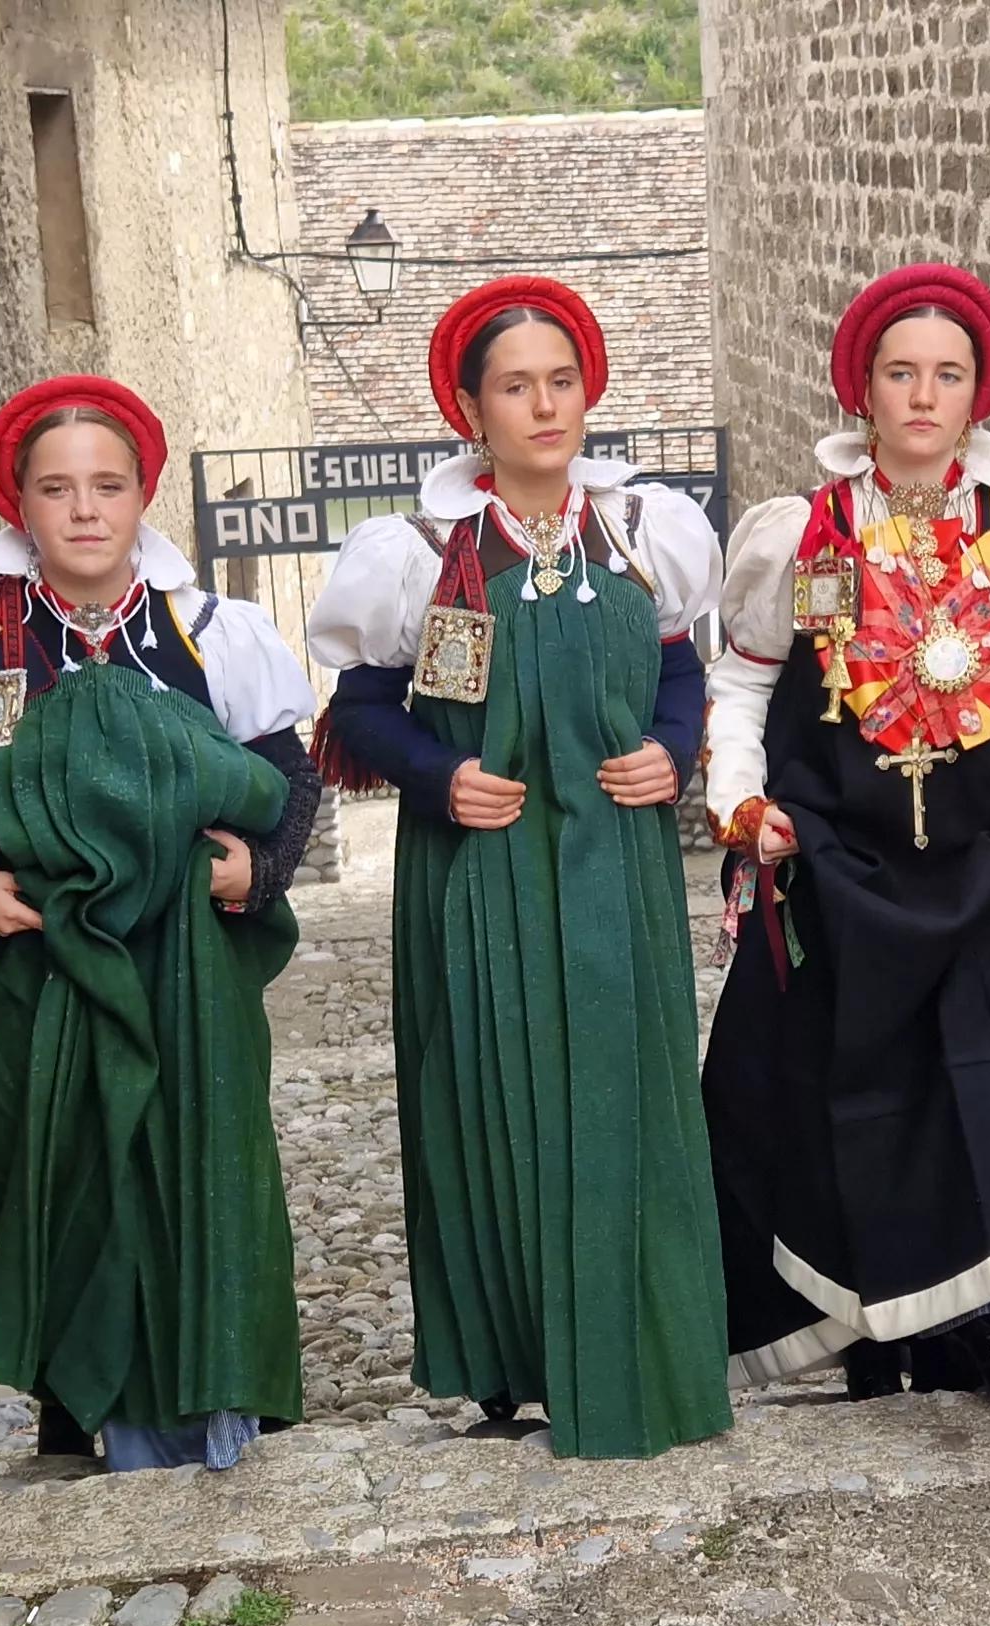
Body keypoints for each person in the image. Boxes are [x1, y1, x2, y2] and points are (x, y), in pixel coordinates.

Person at [700, 263, 990, 1403]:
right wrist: (741, 804)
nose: (923, 395)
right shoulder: (798, 532)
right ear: (862, 391)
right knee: (856, 1085)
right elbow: (743, 680)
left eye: (947, 375)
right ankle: (868, 1325)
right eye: (900, 373)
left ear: (979, 394)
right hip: (844, 857)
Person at [0, 377, 321, 1473]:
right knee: (47, 1167)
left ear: (142, 495)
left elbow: (290, 779)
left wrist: (256, 873)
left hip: (183, 967)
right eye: (56, 488)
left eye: (107, 486)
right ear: (17, 500)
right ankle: (76, 1395)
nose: (83, 511)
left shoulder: (206, 634)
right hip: (23, 964)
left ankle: (207, 1385)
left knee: (190, 1162)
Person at [308, 277, 733, 1459]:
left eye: (561, 381)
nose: (544, 407)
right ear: (469, 408)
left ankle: (648, 1353)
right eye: (515, 387)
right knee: (490, 1097)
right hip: (479, 869)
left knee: (630, 1095)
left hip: (616, 864)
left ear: (587, 390)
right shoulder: (418, 555)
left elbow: (678, 672)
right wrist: (438, 780)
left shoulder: (645, 531)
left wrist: (671, 750)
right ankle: (515, 1359)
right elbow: (361, 711)